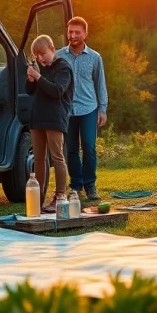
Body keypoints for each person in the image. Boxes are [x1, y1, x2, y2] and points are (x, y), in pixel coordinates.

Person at [57, 16, 108, 200]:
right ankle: (76, 185)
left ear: (85, 34)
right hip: (67, 110)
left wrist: (102, 109)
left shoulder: (95, 57)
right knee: (71, 149)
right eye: (70, 32)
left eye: (77, 32)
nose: (72, 36)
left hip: (89, 108)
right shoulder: (59, 56)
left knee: (89, 147)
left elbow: (100, 84)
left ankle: (90, 185)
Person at [26, 34, 75, 212]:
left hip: (55, 117)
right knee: (39, 159)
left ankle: (60, 196)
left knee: (57, 157)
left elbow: (57, 91)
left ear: (52, 49)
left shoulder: (63, 67)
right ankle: (38, 198)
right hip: (37, 117)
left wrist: (38, 77)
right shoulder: (41, 68)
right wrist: (31, 79)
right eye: (36, 55)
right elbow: (30, 91)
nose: (40, 58)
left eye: (42, 53)